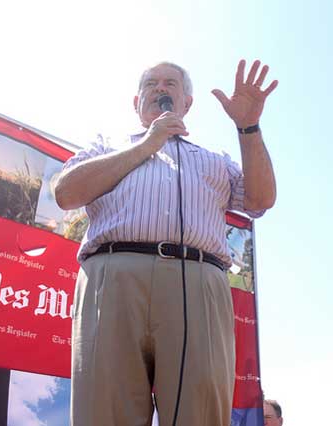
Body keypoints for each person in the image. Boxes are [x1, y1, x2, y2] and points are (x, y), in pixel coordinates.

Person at [56, 59, 277, 426]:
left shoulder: (215, 159)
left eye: (170, 83)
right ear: (136, 101)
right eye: (151, 83)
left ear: (187, 102)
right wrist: (149, 142)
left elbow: (260, 201)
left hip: (197, 281)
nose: (160, 88)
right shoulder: (105, 147)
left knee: (200, 411)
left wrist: (248, 127)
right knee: (105, 410)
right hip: (113, 279)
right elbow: (66, 192)